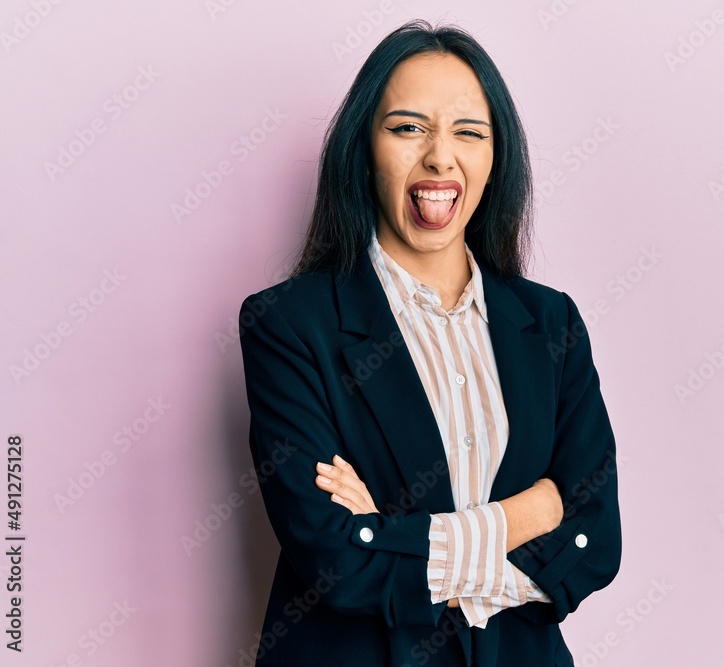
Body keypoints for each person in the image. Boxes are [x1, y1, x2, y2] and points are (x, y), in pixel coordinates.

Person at [238, 19, 621, 667]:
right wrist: (527, 515)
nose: (441, 157)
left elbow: (595, 542)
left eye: (469, 132)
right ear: (364, 149)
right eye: (408, 127)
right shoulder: (288, 324)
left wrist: (390, 534)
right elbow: (337, 560)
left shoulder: (552, 322)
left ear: (496, 159)